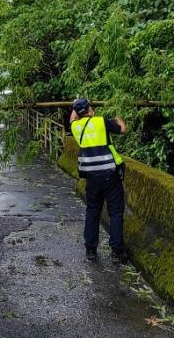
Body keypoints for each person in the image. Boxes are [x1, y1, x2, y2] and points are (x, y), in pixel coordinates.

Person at [69, 98, 128, 263]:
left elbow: (72, 118)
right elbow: (123, 130)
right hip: (110, 174)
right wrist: (118, 117)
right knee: (115, 212)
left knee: (93, 211)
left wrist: (75, 105)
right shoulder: (102, 121)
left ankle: (91, 250)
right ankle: (116, 252)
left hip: (91, 177)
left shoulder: (76, 126)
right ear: (89, 109)